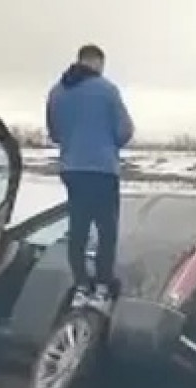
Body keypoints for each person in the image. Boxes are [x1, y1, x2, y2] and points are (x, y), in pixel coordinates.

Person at [46, 44, 134, 314]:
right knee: (106, 230)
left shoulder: (57, 92)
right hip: (102, 169)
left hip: (72, 168)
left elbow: (55, 133)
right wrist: (108, 144)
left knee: (79, 228)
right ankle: (103, 288)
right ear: (96, 62)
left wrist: (74, 142)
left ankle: (81, 286)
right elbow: (125, 130)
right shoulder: (107, 90)